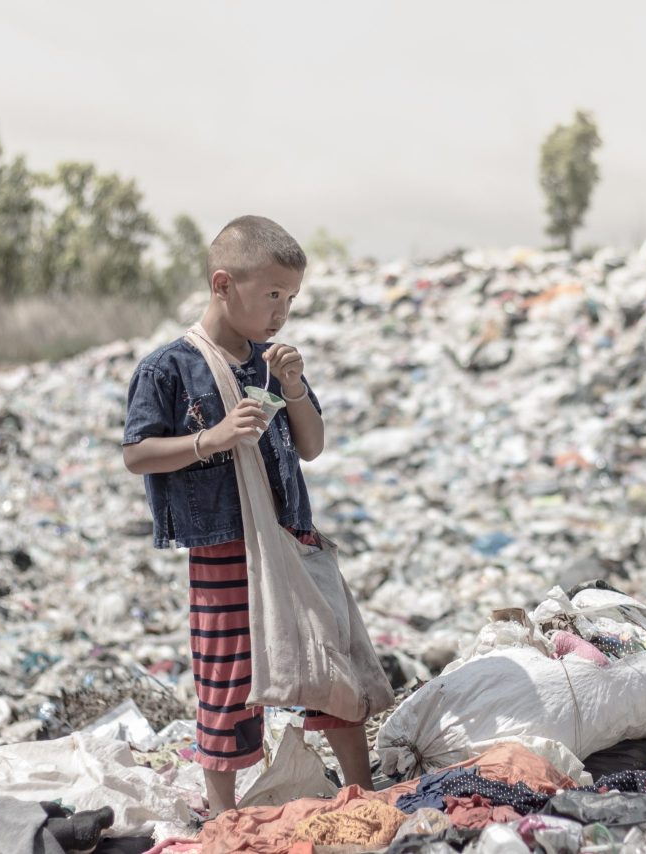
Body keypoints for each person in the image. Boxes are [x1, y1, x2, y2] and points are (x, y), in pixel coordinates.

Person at [121, 215, 373, 815]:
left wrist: (292, 386)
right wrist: (212, 438)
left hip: (290, 534)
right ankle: (224, 814)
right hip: (223, 545)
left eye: (290, 298)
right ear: (222, 284)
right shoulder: (168, 369)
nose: (281, 311)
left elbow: (311, 445)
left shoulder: (272, 362)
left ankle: (367, 791)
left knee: (326, 659)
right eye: (271, 295)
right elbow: (137, 454)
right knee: (227, 677)